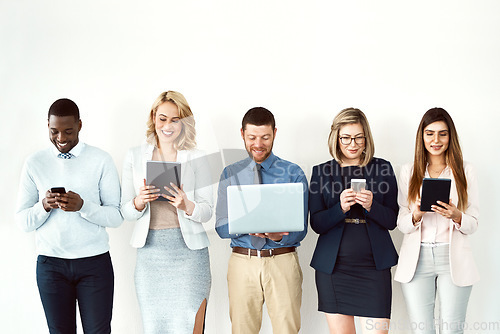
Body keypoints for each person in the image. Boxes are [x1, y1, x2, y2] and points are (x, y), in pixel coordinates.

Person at [15, 98, 123, 334]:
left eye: (68, 131)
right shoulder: (34, 163)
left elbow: (116, 216)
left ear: (80, 126)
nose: (61, 139)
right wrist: (43, 205)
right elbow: (22, 221)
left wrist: (83, 206)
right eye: (54, 131)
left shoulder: (101, 160)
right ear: (47, 126)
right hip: (50, 266)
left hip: (94, 264)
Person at [120, 91, 213, 334]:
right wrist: (139, 202)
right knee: (155, 328)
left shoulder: (197, 157)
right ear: (153, 118)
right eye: (162, 119)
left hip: (189, 257)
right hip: (150, 256)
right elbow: (125, 211)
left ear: (184, 122)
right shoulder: (134, 156)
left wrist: (186, 205)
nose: (168, 126)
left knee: (190, 326)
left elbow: (207, 210)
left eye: (175, 119)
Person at [215, 107, 308, 334]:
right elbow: (220, 227)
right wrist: (245, 223)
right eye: (252, 137)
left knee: (287, 330)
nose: (258, 144)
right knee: (242, 330)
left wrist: (278, 237)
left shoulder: (292, 173)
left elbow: (302, 228)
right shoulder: (230, 173)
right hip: (242, 262)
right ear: (242, 134)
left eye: (265, 137)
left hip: (282, 260)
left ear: (274, 133)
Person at [309, 108, 399, 334]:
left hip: (374, 269)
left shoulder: (382, 168)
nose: (353, 143)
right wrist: (339, 208)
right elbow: (317, 224)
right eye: (346, 137)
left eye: (359, 137)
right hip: (334, 269)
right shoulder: (322, 172)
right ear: (336, 138)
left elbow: (392, 220)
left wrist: (372, 206)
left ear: (366, 137)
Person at [395, 108, 479, 334]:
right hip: (417, 259)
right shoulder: (409, 171)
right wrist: (416, 214)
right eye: (430, 133)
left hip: (452, 257)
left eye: (442, 133)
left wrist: (456, 215)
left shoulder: (465, 170)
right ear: (421, 136)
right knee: (422, 330)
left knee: (452, 329)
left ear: (450, 136)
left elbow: (474, 223)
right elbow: (401, 223)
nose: (436, 140)